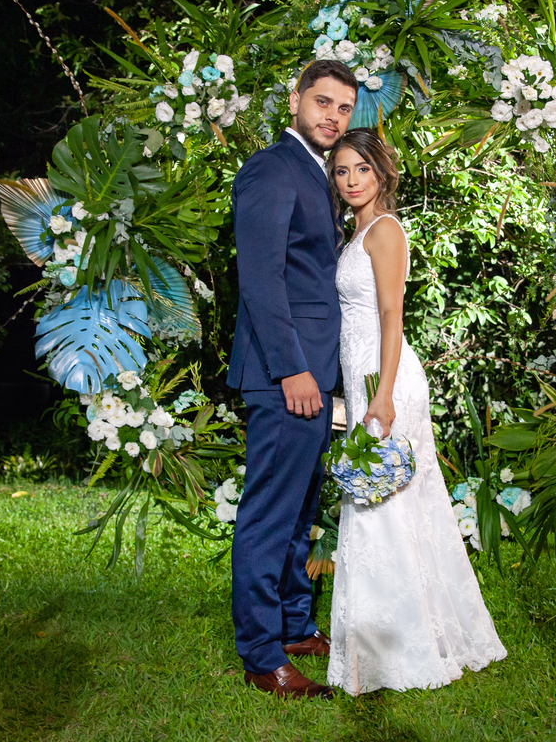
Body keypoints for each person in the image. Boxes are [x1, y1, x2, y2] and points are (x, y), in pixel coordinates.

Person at [326, 128, 507, 695]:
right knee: (383, 496)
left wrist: (381, 394)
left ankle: (397, 644)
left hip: (387, 380)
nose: (352, 181)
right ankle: (391, 634)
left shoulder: (385, 231)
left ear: (382, 172)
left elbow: (390, 315)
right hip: (362, 379)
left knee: (382, 494)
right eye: (342, 171)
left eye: (362, 169)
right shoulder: (351, 233)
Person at [227, 60, 358, 699]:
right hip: (288, 374)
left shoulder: (314, 171)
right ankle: (259, 654)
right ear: (296, 99)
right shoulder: (271, 168)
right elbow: (261, 279)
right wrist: (293, 369)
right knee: (269, 514)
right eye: (323, 102)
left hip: (312, 371)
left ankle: (293, 624)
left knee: (300, 511)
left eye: (344, 108)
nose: (333, 116)